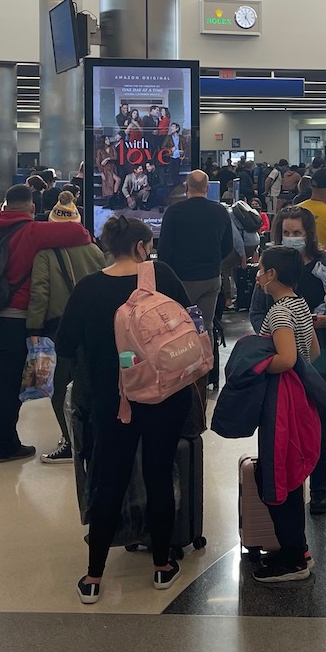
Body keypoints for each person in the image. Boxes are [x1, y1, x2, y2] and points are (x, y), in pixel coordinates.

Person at [60, 215, 198, 603]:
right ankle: (161, 566)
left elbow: (66, 345)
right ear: (141, 247)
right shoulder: (162, 275)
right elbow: (192, 322)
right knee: (158, 474)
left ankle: (93, 577)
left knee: (109, 480)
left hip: (113, 401)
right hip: (166, 396)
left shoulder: (88, 288)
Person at [0, 183, 93, 463]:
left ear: (3, 206)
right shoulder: (32, 231)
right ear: (32, 208)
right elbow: (79, 232)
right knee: (7, 384)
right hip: (9, 320)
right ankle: (6, 445)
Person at [248, 206, 326, 515]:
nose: (292, 238)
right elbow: (256, 312)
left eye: (298, 233)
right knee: (284, 427)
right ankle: (288, 489)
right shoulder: (272, 267)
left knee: (323, 428)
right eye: (287, 232)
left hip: (322, 358)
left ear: (309, 235)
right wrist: (276, 331)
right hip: (283, 361)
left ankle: (321, 490)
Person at [250, 244, 320, 582]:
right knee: (289, 473)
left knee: (278, 475)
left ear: (272, 275)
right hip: (301, 400)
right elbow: (313, 352)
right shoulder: (300, 305)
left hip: (282, 403)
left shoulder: (279, 312)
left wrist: (256, 365)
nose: (258, 274)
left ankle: (294, 559)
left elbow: (288, 359)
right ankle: (297, 548)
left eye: (261, 269)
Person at [29, 193, 109, 465]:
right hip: (94, 327)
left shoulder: (45, 254)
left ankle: (69, 440)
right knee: (90, 381)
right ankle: (93, 436)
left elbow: (40, 291)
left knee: (61, 386)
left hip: (59, 328)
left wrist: (33, 326)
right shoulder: (94, 250)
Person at [157, 170, 235, 349]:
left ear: (186, 187)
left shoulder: (174, 212)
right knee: (205, 326)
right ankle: (205, 370)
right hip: (211, 277)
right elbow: (228, 247)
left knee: (179, 326)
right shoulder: (220, 211)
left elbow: (164, 250)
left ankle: (183, 368)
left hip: (181, 279)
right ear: (207, 188)